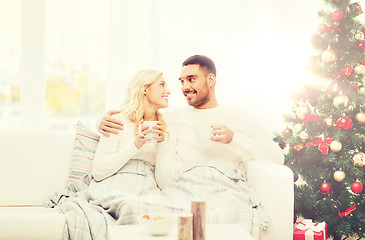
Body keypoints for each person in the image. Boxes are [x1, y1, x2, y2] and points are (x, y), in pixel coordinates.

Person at [97, 55, 282, 239]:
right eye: (182, 81)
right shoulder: (171, 117)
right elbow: (138, 115)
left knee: (225, 214)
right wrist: (101, 121)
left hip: (224, 186)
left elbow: (276, 156)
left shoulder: (237, 117)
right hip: (182, 187)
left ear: (211, 80)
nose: (185, 87)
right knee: (164, 215)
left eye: (191, 79)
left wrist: (234, 138)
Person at [88, 69, 171, 200]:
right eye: (162, 84)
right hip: (116, 186)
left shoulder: (165, 128)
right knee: (129, 205)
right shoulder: (117, 121)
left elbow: (164, 184)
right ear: (145, 89)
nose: (168, 91)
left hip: (146, 190)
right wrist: (135, 146)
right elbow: (98, 171)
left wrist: (162, 144)